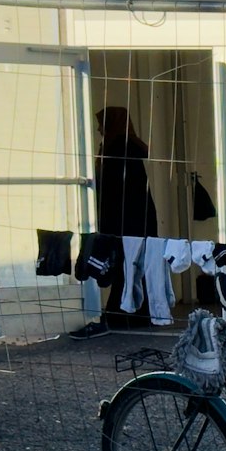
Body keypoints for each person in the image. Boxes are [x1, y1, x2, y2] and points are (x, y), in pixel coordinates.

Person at [69, 107, 159, 339]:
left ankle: (124, 315)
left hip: (127, 220)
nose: (99, 129)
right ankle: (131, 314)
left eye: (102, 124)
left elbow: (117, 190)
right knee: (129, 266)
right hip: (132, 219)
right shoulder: (120, 146)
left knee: (126, 265)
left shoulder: (121, 148)